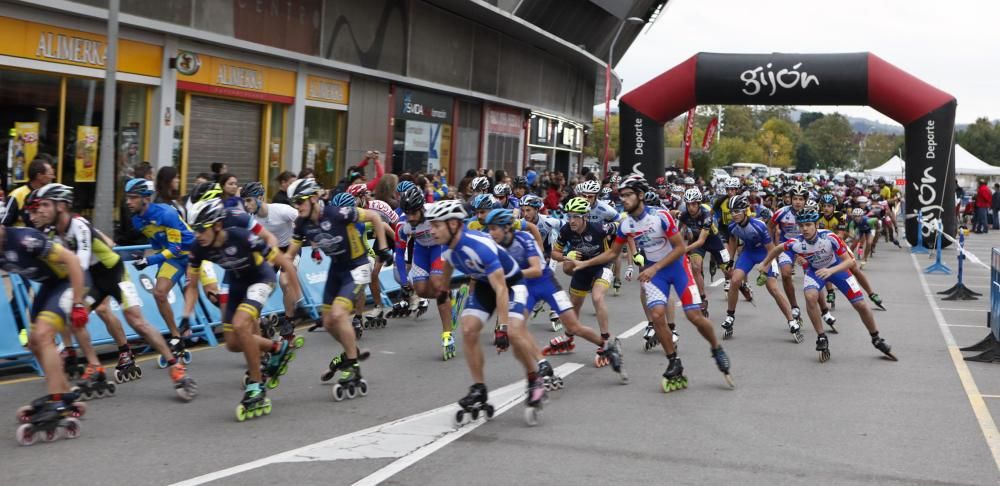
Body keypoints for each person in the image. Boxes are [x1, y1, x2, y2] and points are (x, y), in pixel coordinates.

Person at [27, 183, 197, 400]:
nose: (39, 211)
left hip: (115, 274)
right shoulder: (53, 233)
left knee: (137, 322)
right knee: (72, 319)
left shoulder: (77, 225)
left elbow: (80, 262)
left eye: (44, 205)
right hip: (94, 280)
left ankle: (176, 367)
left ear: (61, 206)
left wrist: (78, 299)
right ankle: (95, 366)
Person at [579, 176, 733, 392]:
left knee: (694, 316)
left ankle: (716, 348)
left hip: (677, 268)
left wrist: (654, 268)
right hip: (656, 273)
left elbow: (680, 248)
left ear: (640, 196)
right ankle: (673, 361)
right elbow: (613, 253)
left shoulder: (660, 217)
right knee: (658, 315)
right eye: (621, 195)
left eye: (628, 195)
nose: (623, 199)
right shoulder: (626, 223)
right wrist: (582, 263)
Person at [426, 200, 548, 425]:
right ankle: (479, 387)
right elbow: (450, 264)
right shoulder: (447, 244)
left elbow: (501, 289)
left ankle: (534, 377)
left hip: (511, 284)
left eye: (436, 224)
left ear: (453, 224)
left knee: (513, 332)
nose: (431, 230)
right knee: (468, 329)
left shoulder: (479, 246)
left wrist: (501, 328)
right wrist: (443, 287)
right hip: (484, 285)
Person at [484, 208, 626, 386]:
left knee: (573, 327)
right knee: (515, 330)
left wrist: (535, 252)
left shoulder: (524, 239)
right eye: (488, 228)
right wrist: (502, 328)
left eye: (493, 228)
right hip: (524, 287)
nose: (490, 233)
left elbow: (535, 269)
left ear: (506, 228)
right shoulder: (492, 246)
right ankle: (542, 364)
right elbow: (500, 289)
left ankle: (607, 345)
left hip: (545, 283)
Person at [184, 199, 297, 420]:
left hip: (261, 278)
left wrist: (295, 294)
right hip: (237, 283)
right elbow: (191, 285)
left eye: (201, 229)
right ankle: (277, 348)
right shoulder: (199, 247)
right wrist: (186, 316)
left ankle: (256, 384)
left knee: (241, 324)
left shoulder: (242, 236)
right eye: (194, 229)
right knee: (233, 343)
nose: (198, 234)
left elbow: (281, 260)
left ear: (217, 226)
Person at [285, 178, 392, 400]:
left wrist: (382, 248)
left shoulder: (337, 213)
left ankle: (352, 365)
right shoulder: (301, 224)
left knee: (338, 314)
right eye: (294, 203)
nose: (298, 206)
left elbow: (373, 216)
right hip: (336, 269)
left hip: (358, 266)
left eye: (300, 201)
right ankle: (352, 350)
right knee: (327, 321)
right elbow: (289, 255)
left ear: (314, 198)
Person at [757, 207, 897, 363]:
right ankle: (821, 337)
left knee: (861, 305)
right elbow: (778, 248)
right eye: (801, 225)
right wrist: (765, 263)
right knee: (810, 296)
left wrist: (831, 271)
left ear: (816, 225)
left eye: (808, 224)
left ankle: (876, 338)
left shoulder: (830, 237)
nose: (805, 229)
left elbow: (850, 261)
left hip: (838, 269)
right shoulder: (796, 243)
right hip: (815, 272)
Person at [8, 222, 92, 444]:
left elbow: (73, 261)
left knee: (43, 335)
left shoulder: (25, 239)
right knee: (35, 341)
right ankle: (64, 391)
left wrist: (77, 303)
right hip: (49, 286)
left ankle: (57, 400)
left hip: (70, 281)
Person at [124, 179, 204, 361]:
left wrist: (149, 260)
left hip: (192, 253)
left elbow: (175, 247)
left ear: (146, 198)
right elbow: (157, 243)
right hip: (173, 258)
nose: (128, 202)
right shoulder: (137, 220)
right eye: (127, 197)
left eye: (133, 198)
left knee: (211, 293)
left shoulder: (166, 213)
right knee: (159, 293)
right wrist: (144, 257)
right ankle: (176, 337)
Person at [723, 194, 801, 342]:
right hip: (748, 253)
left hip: (766, 254)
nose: (734, 214)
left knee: (773, 289)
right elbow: (732, 240)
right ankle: (730, 316)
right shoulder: (732, 226)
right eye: (732, 211)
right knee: (734, 281)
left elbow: (772, 248)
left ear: (746, 210)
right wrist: (730, 260)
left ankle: (792, 321)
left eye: (738, 211)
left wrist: (765, 265)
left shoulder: (759, 226)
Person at [551, 197, 616, 367]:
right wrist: (566, 256)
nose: (571, 220)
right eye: (569, 216)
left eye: (576, 217)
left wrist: (634, 254)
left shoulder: (599, 228)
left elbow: (620, 239)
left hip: (602, 266)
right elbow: (554, 253)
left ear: (585, 217)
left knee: (597, 297)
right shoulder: (566, 230)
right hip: (581, 269)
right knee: (574, 305)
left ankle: (605, 340)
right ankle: (568, 337)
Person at [241, 182, 307, 343]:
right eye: (243, 201)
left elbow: (304, 220)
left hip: (290, 248)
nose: (246, 205)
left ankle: (289, 321)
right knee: (260, 286)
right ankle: (261, 320)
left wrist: (312, 242)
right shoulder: (251, 220)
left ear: (260, 198)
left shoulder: (280, 210)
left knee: (284, 281)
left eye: (249, 200)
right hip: (271, 251)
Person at [393, 187, 454, 357]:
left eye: (414, 213)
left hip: (438, 247)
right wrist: (405, 282)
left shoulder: (434, 212)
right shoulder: (402, 224)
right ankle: (448, 298)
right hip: (421, 250)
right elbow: (399, 254)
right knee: (420, 290)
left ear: (421, 208)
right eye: (407, 213)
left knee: (436, 283)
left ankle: (448, 335)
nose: (411, 217)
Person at [4, 156, 56, 228]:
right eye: (50, 174)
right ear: (39, 176)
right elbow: (3, 225)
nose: (53, 177)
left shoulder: (51, 195)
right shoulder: (17, 195)